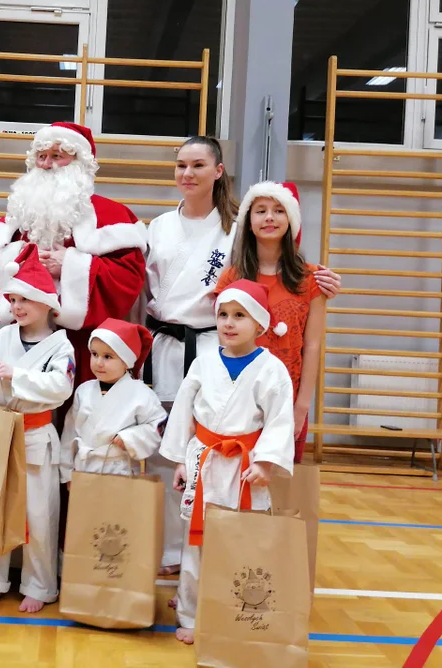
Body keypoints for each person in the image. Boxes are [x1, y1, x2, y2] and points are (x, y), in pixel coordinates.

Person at [144, 137, 340, 575]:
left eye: (198, 164)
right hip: (181, 350)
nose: (188, 173)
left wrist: (304, 401)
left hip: (235, 358)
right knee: (179, 455)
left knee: (246, 469)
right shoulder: (159, 228)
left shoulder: (236, 231)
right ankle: (179, 552)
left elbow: (310, 339)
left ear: (219, 172)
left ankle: (248, 563)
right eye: (181, 165)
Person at [160, 280, 295, 645]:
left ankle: (235, 608)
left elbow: (280, 419)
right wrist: (179, 461)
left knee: (241, 543)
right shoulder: (203, 364)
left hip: (244, 468)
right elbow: (183, 414)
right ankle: (189, 612)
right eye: (223, 314)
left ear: (260, 324)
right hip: (204, 461)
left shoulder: (273, 369)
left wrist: (266, 463)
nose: (229, 323)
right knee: (195, 543)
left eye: (240, 315)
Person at [0, 122, 146, 388]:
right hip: (24, 338)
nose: (47, 164)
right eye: (41, 157)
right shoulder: (16, 219)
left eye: (57, 156)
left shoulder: (114, 217)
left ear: (80, 162)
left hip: (88, 344)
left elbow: (128, 280)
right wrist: (24, 259)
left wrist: (72, 265)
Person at [0, 244, 76, 614]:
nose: (17, 307)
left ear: (49, 304)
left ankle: (39, 584)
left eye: (26, 299)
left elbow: (61, 388)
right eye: (13, 299)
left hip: (35, 434)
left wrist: (17, 374)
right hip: (0, 431)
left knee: (38, 514)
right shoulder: (4, 336)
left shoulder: (61, 346)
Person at [214, 181, 327, 462]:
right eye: (260, 210)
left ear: (291, 221)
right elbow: (223, 343)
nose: (269, 218)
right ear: (248, 222)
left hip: (287, 399)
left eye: (279, 211)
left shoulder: (311, 279)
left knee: (281, 491)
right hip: (240, 398)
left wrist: (301, 407)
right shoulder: (232, 278)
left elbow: (312, 346)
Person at [60, 319, 165, 482]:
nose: (98, 362)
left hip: (121, 470)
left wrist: (130, 438)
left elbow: (157, 427)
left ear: (126, 362)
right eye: (94, 354)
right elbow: (69, 433)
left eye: (107, 357)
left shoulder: (141, 394)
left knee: (118, 508)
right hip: (84, 469)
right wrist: (67, 474)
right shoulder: (84, 390)